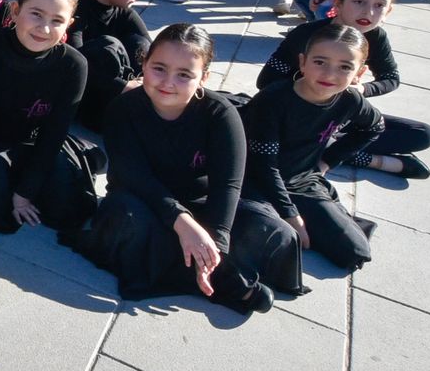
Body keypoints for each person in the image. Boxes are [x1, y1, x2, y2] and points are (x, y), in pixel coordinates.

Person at [66, 23, 293, 313]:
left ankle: (208, 269)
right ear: (144, 63)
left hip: (200, 198)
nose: (168, 82)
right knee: (131, 223)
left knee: (270, 228)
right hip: (141, 199)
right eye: (159, 68)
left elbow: (227, 185)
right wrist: (182, 222)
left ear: (203, 77)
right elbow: (134, 176)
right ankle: (223, 280)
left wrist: (216, 246)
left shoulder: (221, 114)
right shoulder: (123, 109)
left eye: (184, 74)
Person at [258, 0, 430, 179]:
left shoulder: (375, 37)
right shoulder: (306, 35)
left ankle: (338, 147)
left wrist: (361, 88)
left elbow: (391, 78)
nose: (368, 12)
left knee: (422, 134)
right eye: (359, 1)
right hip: (295, 115)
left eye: (379, 5)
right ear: (338, 3)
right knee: (292, 139)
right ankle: (364, 159)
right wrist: (316, 82)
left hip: (339, 114)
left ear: (388, 11)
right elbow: (266, 82)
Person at [243, 25, 385, 271]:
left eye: (344, 67)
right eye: (320, 62)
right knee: (269, 240)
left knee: (354, 252)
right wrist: (290, 213)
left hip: (301, 180)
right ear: (303, 62)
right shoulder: (273, 100)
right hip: (254, 179)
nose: (330, 74)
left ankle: (320, 217)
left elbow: (375, 126)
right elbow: (263, 166)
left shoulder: (350, 99)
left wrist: (327, 162)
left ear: (359, 73)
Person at [0, 0, 96, 234]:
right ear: (15, 11)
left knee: (66, 207)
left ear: (69, 24)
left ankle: (86, 155)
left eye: (57, 20)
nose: (44, 28)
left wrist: (25, 191)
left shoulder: (73, 65)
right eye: (36, 13)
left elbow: (54, 133)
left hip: (33, 142)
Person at [69, 0, 149, 132]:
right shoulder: (78, 12)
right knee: (107, 47)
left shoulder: (124, 12)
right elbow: (77, 62)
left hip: (126, 85)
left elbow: (152, 50)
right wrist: (122, 86)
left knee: (140, 43)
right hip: (89, 93)